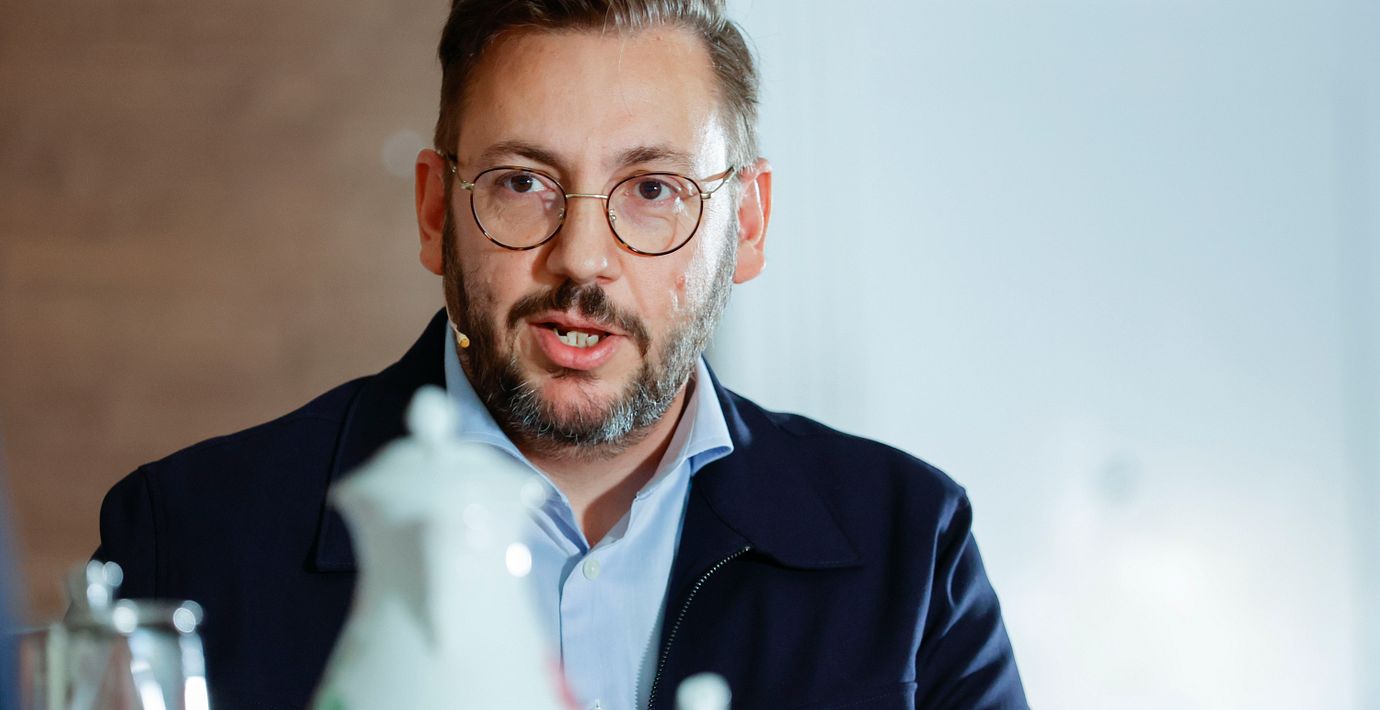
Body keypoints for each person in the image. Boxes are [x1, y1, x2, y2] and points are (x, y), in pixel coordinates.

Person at [95, 1, 1029, 708]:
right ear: (435, 210)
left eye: (653, 190)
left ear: (746, 224)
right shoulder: (187, 541)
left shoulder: (914, 552)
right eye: (522, 183)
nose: (582, 258)